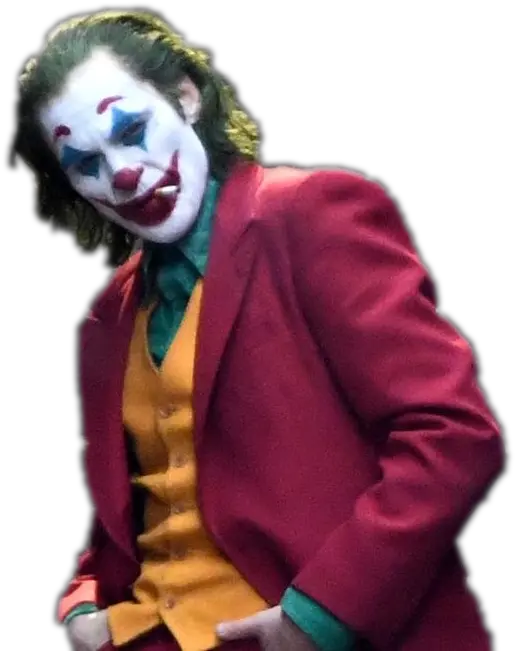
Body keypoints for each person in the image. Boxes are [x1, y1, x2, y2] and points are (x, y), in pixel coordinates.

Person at [9, 8, 506, 651]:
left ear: (186, 97)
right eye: (85, 163)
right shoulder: (107, 317)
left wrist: (320, 617)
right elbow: (131, 515)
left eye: (131, 130)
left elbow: (455, 436)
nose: (122, 173)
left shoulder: (311, 215)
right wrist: (83, 607)